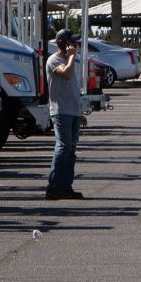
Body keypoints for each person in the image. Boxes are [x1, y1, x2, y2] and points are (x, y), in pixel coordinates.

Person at [46, 29, 84, 200]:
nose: (75, 45)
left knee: (71, 150)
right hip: (61, 111)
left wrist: (80, 112)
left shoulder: (71, 60)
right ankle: (54, 187)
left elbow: (73, 88)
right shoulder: (54, 60)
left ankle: (65, 186)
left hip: (73, 111)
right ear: (63, 42)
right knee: (63, 148)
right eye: (72, 41)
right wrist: (70, 57)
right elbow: (66, 75)